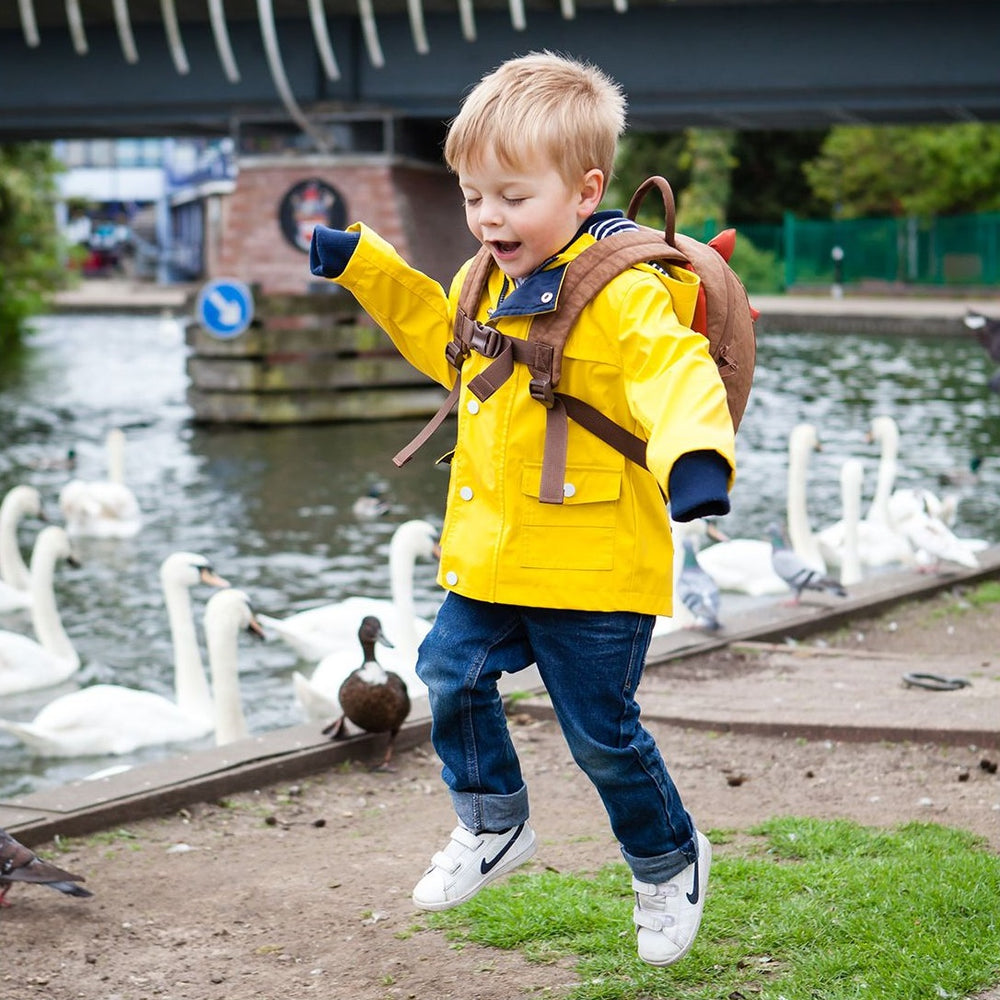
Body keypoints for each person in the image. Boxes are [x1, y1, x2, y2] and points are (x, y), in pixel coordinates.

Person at [309, 50, 736, 968]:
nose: (488, 217)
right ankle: (494, 822)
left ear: (585, 191)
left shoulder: (623, 291)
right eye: (472, 196)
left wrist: (698, 458)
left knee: (602, 737)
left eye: (512, 196)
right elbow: (445, 343)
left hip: (593, 564)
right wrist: (366, 268)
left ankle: (669, 861)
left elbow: (674, 373)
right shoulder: (484, 279)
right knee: (447, 671)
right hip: (496, 554)